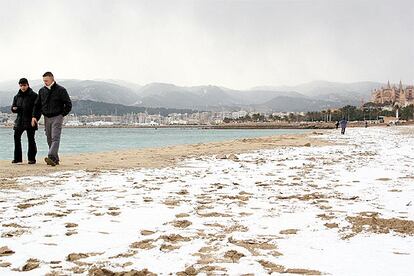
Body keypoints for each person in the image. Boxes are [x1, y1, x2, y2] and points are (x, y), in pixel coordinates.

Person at [32, 72, 72, 166]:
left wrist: (62, 114)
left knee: (55, 137)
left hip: (57, 116)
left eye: (46, 80)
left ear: (52, 79)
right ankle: (55, 159)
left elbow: (68, 104)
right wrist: (34, 116)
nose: (45, 82)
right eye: (44, 81)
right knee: (49, 138)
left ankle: (51, 155)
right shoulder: (42, 91)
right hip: (46, 117)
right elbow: (37, 105)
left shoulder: (61, 90)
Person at [11, 78, 39, 164]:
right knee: (16, 138)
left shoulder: (34, 95)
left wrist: (35, 118)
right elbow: (13, 108)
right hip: (19, 120)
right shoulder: (17, 96)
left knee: (31, 139)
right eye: (21, 85)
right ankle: (18, 159)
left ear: (28, 85)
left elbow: (37, 108)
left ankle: (32, 159)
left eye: (24, 85)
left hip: (30, 120)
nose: (23, 87)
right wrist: (14, 109)